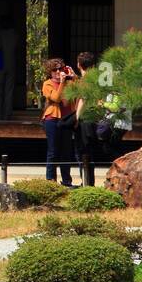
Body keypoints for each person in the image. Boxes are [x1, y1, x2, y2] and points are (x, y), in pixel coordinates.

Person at [41, 57, 76, 186]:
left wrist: (74, 77)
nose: (57, 72)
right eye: (54, 70)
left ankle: (67, 181)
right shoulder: (47, 84)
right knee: (53, 151)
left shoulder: (70, 83)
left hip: (67, 119)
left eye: (60, 69)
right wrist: (62, 82)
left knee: (66, 151)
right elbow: (55, 98)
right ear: (50, 72)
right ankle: (50, 182)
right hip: (52, 119)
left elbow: (81, 92)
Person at [74, 51, 98, 181]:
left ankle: (86, 182)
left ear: (79, 64)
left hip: (84, 119)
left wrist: (76, 117)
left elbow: (83, 99)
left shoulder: (85, 81)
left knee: (83, 152)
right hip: (94, 117)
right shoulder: (95, 81)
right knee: (90, 151)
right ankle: (89, 182)